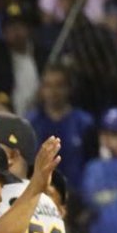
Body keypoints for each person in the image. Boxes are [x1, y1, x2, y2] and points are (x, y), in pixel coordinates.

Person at [27, 65, 97, 198]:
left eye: (59, 85)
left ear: (69, 89)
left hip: (77, 197)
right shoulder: (32, 123)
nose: (53, 91)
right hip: (40, 197)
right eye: (48, 86)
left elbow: (92, 165)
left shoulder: (84, 123)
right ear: (42, 89)